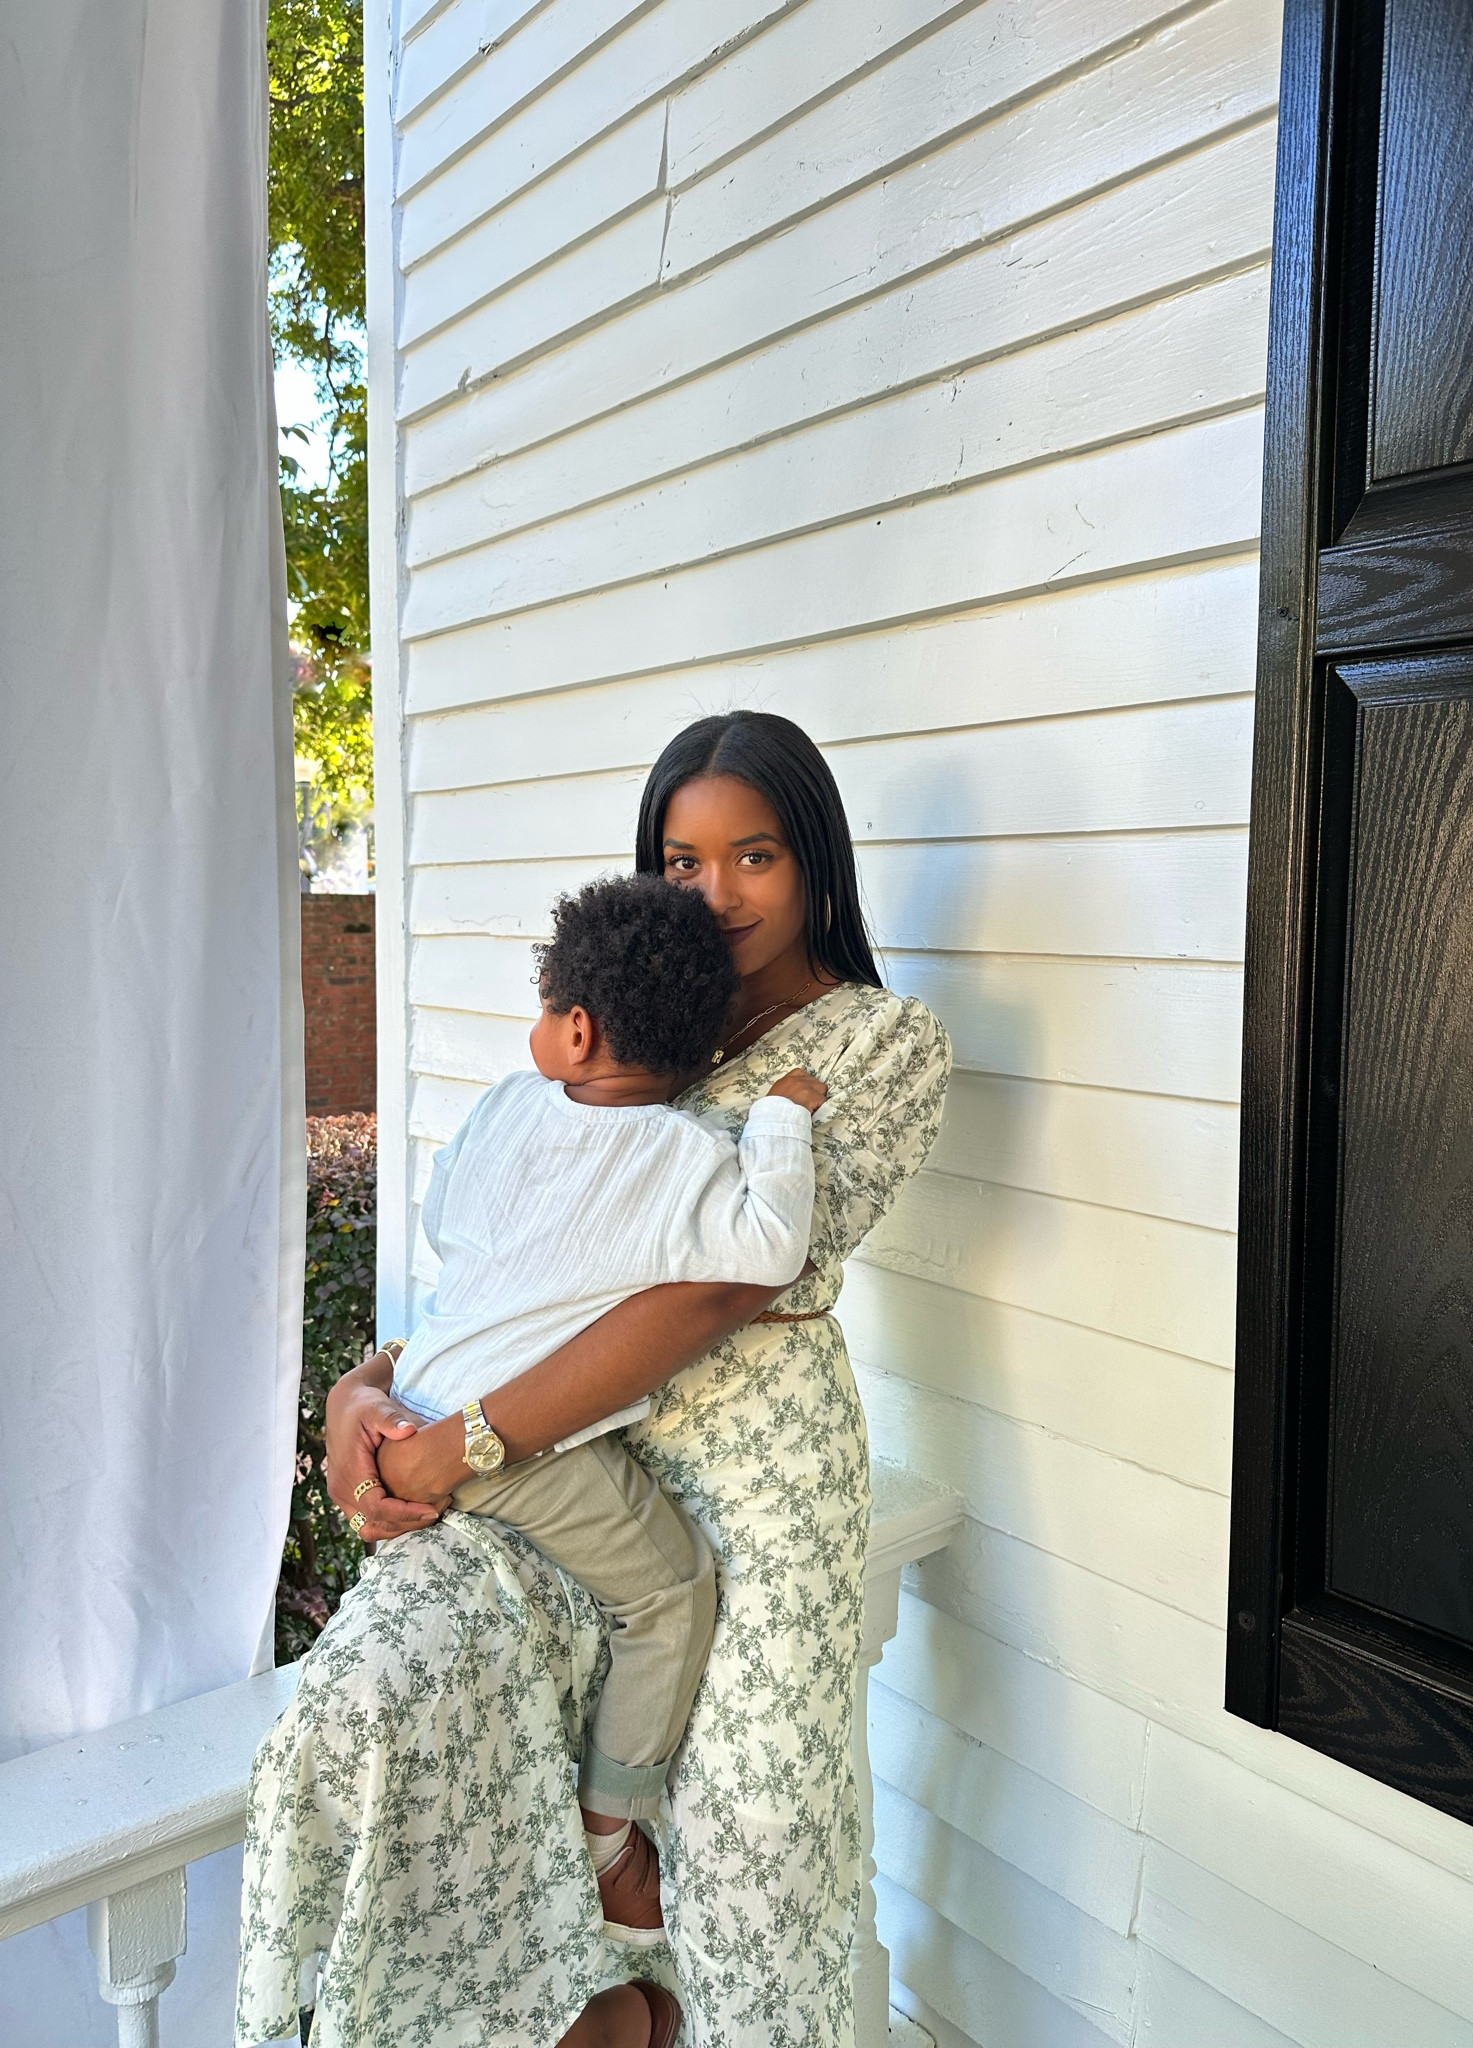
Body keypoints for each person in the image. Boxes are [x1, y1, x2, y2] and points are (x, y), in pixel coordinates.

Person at [236, 711, 952, 2048]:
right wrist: (369, 1390)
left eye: (756, 856)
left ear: (817, 868)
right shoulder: (620, 1019)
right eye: (682, 861)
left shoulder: (874, 1042)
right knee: (460, 1777)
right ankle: (613, 2008)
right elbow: (514, 1252)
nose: (717, 893)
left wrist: (463, 1446)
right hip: (564, 1473)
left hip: (747, 1490)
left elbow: (726, 1286)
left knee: (752, 1860)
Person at [379, 871, 828, 1937]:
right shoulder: (682, 1156)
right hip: (511, 1447)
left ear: (576, 1031)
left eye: (544, 1008)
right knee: (673, 1587)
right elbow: (773, 1244)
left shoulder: (503, 1104)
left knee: (655, 1585)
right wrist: (780, 1118)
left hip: (428, 1398)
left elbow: (445, 1219)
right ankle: (609, 1828)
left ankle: (596, 1839)